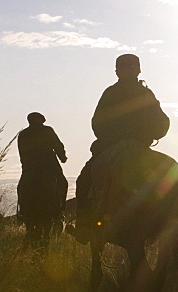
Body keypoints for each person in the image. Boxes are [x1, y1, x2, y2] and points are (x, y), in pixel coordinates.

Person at [72, 54, 170, 242]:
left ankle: (83, 227)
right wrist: (152, 134)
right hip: (141, 147)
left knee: (84, 181)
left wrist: (109, 137)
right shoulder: (147, 94)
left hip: (112, 147)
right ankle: (177, 227)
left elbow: (97, 123)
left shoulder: (110, 93)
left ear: (117, 71)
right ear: (138, 70)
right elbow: (163, 122)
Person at [16, 112, 68, 247]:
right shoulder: (47, 130)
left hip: (29, 169)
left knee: (21, 187)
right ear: (40, 120)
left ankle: (23, 212)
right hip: (49, 168)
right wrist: (62, 157)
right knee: (63, 183)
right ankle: (60, 210)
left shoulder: (22, 134)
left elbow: (22, 153)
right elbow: (58, 145)